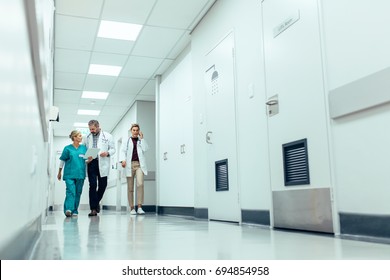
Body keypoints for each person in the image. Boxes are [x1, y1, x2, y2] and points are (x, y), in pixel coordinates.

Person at [84, 120, 115, 217]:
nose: (91, 131)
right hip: (91, 163)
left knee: (103, 185)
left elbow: (113, 149)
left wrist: (107, 153)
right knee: (92, 185)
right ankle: (93, 209)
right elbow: (84, 149)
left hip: (103, 162)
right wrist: (86, 158)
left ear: (98, 127)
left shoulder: (108, 136)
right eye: (90, 129)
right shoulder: (87, 137)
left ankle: (96, 202)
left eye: (93, 129)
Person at [57, 130, 87, 217]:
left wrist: (90, 159)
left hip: (80, 174)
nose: (81, 137)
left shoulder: (84, 148)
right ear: (74, 137)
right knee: (71, 191)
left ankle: (75, 210)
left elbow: (86, 161)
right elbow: (62, 160)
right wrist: (59, 172)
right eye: (79, 136)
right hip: (69, 174)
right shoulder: (67, 148)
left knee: (78, 192)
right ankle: (68, 209)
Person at [121, 124, 149, 215]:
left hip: (139, 165)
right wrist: (123, 160)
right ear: (131, 131)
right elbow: (122, 151)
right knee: (130, 188)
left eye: (137, 130)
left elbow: (145, 149)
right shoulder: (127, 141)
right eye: (134, 130)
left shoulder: (141, 141)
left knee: (140, 184)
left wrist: (142, 139)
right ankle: (132, 208)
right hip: (129, 165)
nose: (135, 132)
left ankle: (140, 207)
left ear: (139, 131)